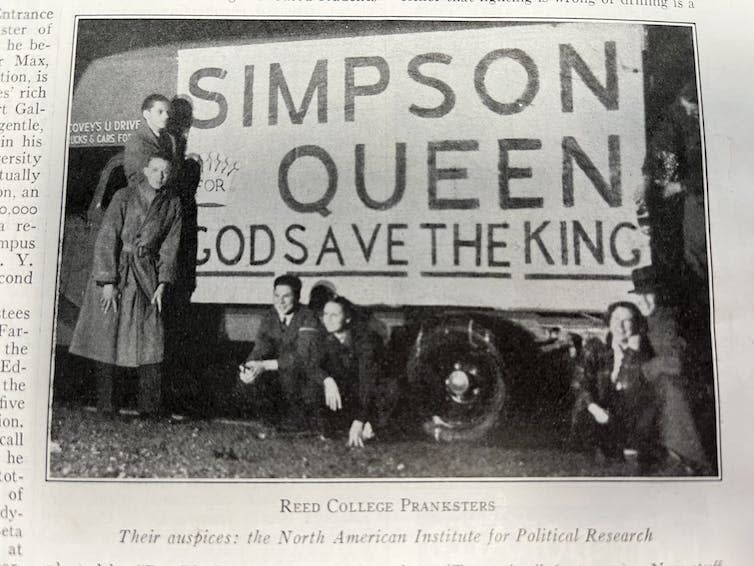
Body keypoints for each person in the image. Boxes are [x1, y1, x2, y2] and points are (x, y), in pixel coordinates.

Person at [69, 154, 183, 416]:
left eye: (165, 172)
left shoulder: (172, 204)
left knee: (152, 340)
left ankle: (150, 409)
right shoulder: (124, 196)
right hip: (117, 272)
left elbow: (170, 247)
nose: (159, 176)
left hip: (147, 275)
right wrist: (108, 281)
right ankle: (106, 406)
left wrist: (164, 282)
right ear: (145, 170)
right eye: (155, 170)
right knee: (107, 338)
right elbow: (107, 236)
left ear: (170, 174)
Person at [629, 266, 711, 473]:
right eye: (639, 297)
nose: (644, 302)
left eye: (649, 296)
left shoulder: (666, 320)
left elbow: (676, 363)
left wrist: (644, 369)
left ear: (661, 296)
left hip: (677, 396)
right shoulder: (649, 321)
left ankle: (684, 457)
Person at [571, 302, 663, 473]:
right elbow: (579, 383)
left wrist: (633, 353)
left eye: (627, 320)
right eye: (616, 319)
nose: (621, 326)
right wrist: (594, 408)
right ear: (609, 322)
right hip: (595, 414)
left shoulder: (645, 354)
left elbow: (626, 384)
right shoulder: (595, 348)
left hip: (627, 418)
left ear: (636, 324)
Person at [237, 275, 327, 431]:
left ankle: (299, 423)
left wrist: (264, 365)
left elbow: (302, 358)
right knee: (245, 381)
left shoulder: (308, 316)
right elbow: (260, 348)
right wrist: (249, 367)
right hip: (280, 377)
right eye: (277, 296)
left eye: (286, 297)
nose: (280, 301)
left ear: (297, 297)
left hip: (302, 377)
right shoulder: (270, 316)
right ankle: (271, 422)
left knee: (299, 385)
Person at [319, 296, 384, 447]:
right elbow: (313, 365)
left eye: (334, 315)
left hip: (368, 394)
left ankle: (371, 423)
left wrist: (359, 420)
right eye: (325, 314)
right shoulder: (323, 337)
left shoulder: (365, 340)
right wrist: (327, 380)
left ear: (347, 318)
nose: (327, 319)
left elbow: (367, 381)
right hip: (346, 394)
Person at [124, 94, 178, 186]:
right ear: (146, 114)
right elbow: (135, 176)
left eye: (167, 112)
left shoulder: (170, 139)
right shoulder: (137, 140)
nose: (166, 116)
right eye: (160, 112)